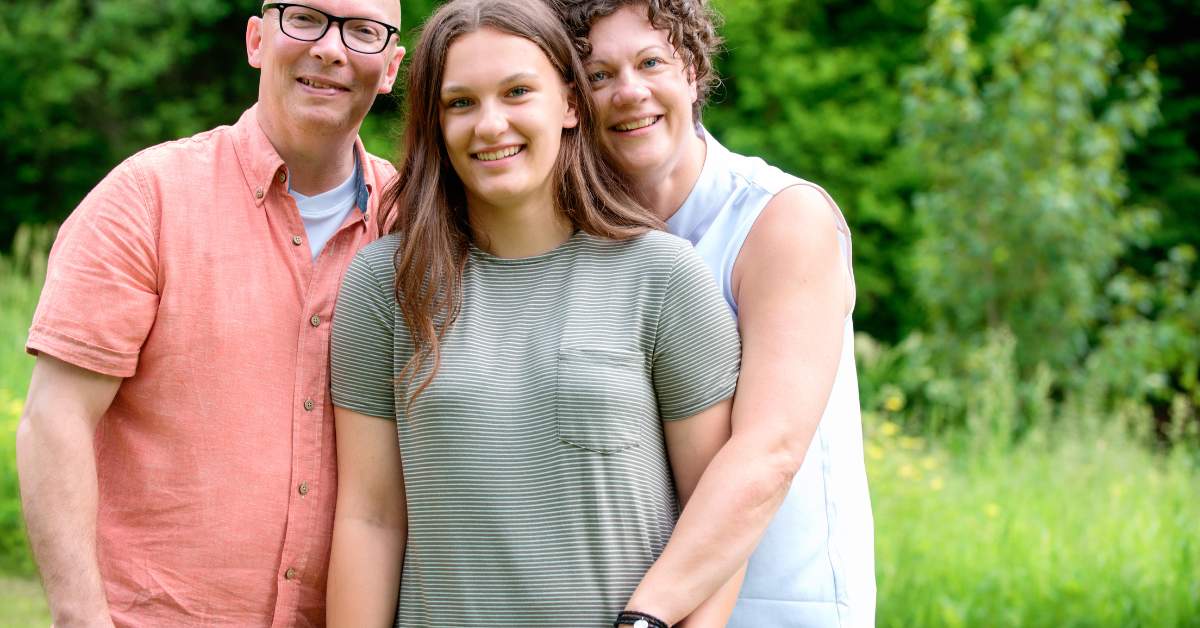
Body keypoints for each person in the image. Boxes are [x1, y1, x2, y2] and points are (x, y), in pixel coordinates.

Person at [323, 0, 742, 626]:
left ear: (570, 104)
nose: (490, 125)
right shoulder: (385, 282)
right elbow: (371, 518)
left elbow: (718, 521)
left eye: (517, 92)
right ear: (434, 124)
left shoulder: (666, 277)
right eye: (460, 103)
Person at [15, 1, 405, 625]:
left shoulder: (411, 225)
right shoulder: (148, 197)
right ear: (256, 39)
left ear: (389, 68)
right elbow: (54, 420)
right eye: (305, 19)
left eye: (362, 31)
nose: (331, 49)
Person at [560, 0, 877, 625]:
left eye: (652, 62)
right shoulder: (572, 240)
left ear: (694, 72)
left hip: (777, 606)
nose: (629, 92)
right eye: (598, 75)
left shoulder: (781, 220)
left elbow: (770, 449)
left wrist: (645, 618)